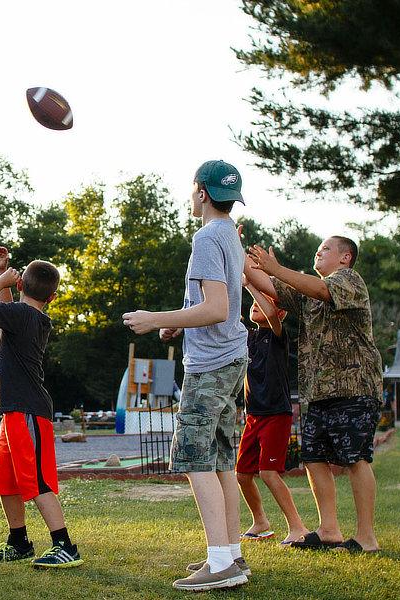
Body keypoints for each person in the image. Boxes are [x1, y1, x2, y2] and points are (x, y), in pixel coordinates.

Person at [122, 160, 250, 591]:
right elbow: (220, 301)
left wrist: (151, 317)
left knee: (195, 458)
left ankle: (220, 564)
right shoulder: (230, 234)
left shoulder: (207, 236)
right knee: (221, 460)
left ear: (200, 193)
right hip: (232, 358)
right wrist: (178, 321)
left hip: (210, 364)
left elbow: (215, 308)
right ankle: (231, 554)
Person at [245, 235, 382, 554]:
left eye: (326, 248)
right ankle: (329, 529)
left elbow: (316, 287)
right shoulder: (307, 297)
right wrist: (233, 249)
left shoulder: (349, 280)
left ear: (346, 257)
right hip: (320, 392)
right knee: (314, 458)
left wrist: (276, 268)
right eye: (317, 249)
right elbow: (269, 286)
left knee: (356, 458)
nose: (318, 251)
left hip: (354, 386)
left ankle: (366, 538)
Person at [0, 245, 83, 569]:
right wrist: (1, 274)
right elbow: (3, 311)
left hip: (28, 412)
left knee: (38, 482)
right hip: (14, 411)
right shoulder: (26, 317)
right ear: (53, 296)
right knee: (7, 480)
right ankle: (18, 541)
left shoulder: (24, 316)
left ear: (20, 286)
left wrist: (1, 278)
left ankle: (65, 546)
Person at [236, 282, 310, 547]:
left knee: (268, 473)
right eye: (256, 301)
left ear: (280, 314)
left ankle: (297, 527)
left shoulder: (278, 335)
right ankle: (261, 523)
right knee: (243, 474)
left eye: (267, 302)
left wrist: (250, 285)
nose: (257, 304)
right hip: (253, 415)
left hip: (276, 415)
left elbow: (268, 311)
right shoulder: (248, 336)